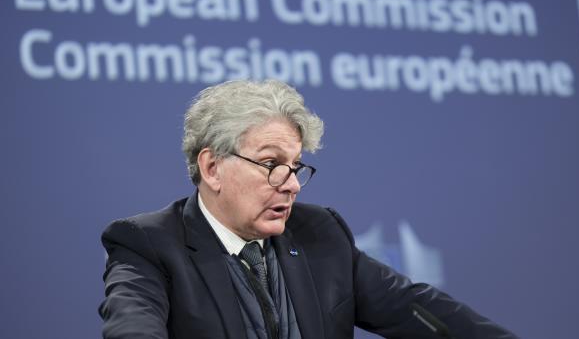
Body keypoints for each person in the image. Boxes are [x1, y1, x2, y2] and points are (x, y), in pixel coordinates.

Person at [99, 80, 517, 339]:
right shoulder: (149, 245)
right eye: (270, 165)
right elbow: (132, 328)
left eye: (295, 166)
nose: (293, 184)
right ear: (212, 167)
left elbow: (421, 312)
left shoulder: (321, 233)